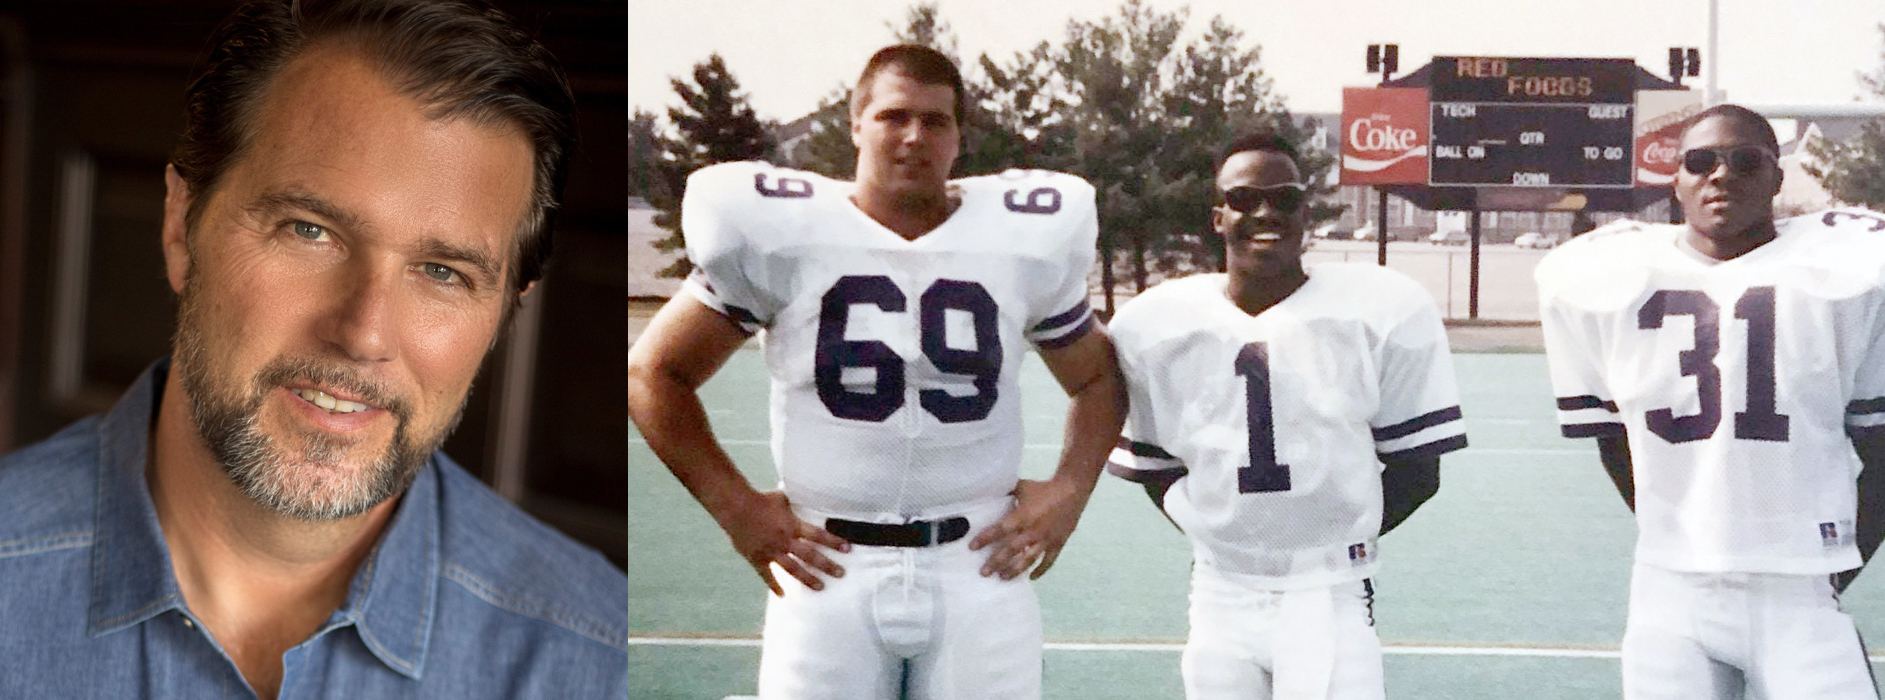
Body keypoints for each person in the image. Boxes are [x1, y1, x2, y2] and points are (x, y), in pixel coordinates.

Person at [0, 1, 625, 698]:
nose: (363, 333)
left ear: (508, 311)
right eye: (308, 230)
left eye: (443, 273)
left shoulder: (601, 658)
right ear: (181, 225)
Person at [628, 44, 1125, 699]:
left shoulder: (1016, 242)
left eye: (936, 121)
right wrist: (737, 509)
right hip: (827, 566)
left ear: (959, 140)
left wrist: (1070, 491)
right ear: (855, 124)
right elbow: (653, 373)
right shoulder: (786, 235)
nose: (915, 135)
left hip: (977, 562)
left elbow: (1098, 380)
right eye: (894, 116)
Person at [1536, 103, 1885, 700]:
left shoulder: (1851, 272)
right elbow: (1617, 446)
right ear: (1677, 182)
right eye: (1700, 161)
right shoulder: (1604, 276)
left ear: (1776, 177)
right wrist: (1687, 532)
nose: (1721, 174)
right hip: (1670, 594)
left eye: (1746, 160)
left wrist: (1834, 569)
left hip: (1801, 593)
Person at [1104, 130, 1467, 700]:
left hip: (1329, 594)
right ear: (1218, 217)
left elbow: (1420, 474)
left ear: (1307, 211)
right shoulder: (1157, 323)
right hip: (1219, 594)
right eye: (1246, 199)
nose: (1266, 211)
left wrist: (1318, 544)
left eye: (1286, 198)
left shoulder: (1380, 308)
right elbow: (1156, 470)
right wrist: (1229, 536)